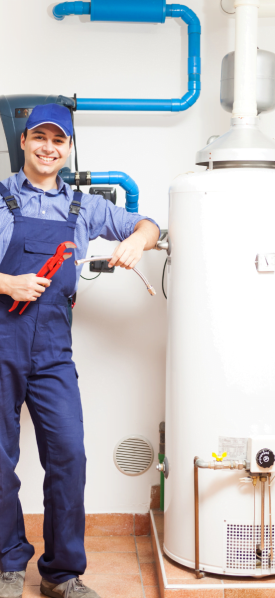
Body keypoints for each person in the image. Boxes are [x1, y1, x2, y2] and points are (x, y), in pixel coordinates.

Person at [0, 103, 160, 598]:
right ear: (23, 142)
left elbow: (150, 224)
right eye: (40, 138)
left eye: (59, 140)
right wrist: (5, 281)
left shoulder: (84, 206)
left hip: (52, 352)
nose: (49, 147)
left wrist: (138, 242)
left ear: (68, 150)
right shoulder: (1, 196)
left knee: (69, 456)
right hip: (2, 343)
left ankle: (61, 573)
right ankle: (7, 563)